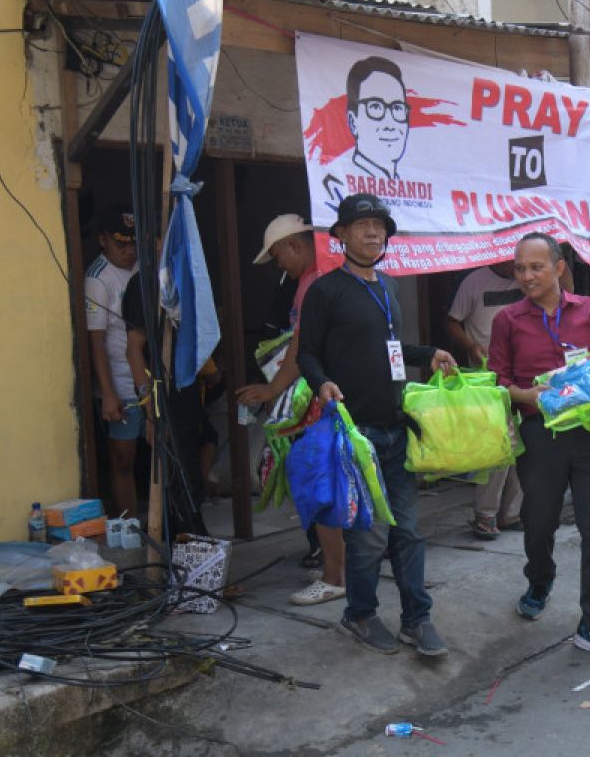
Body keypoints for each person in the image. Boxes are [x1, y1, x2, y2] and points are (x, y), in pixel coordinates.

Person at [297, 193, 456, 658]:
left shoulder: (387, 287)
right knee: (368, 538)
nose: (372, 233)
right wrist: (322, 382)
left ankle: (416, 619)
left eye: (379, 226)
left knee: (408, 531)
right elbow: (307, 352)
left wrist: (429, 354)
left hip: (395, 428)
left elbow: (389, 350)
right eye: (361, 225)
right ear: (341, 235)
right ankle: (360, 613)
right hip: (356, 433)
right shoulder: (324, 291)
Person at [489, 232, 590, 663]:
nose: (527, 276)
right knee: (538, 521)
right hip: (541, 435)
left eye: (535, 267)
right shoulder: (508, 320)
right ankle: (540, 578)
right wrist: (526, 397)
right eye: (520, 269)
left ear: (559, 268)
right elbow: (498, 383)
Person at [236, 214, 347, 605]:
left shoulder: (313, 284)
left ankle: (335, 576)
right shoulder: (331, 274)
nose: (279, 264)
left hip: (324, 400)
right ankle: (340, 568)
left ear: (294, 247)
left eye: (278, 255)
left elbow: (302, 349)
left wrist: (271, 389)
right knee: (336, 485)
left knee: (321, 487)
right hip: (338, 394)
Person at [122, 268, 209, 537]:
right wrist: (149, 406)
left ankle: (191, 547)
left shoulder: (185, 273)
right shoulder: (145, 282)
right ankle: (188, 546)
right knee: (174, 477)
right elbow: (134, 348)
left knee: (190, 471)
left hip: (187, 388)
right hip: (163, 392)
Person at [446, 262, 525, 539]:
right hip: (486, 377)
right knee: (499, 444)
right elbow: (452, 321)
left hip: (524, 374)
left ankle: (511, 513)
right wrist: (470, 346)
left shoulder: (527, 277)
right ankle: (486, 514)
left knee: (521, 445)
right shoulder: (474, 282)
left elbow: (566, 291)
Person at [85, 208, 140, 518]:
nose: (128, 251)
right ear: (103, 240)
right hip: (118, 381)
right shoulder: (97, 278)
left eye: (132, 243)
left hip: (145, 378)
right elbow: (96, 341)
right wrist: (108, 393)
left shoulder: (139, 266)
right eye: (121, 245)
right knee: (123, 457)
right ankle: (129, 525)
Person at [346, 56, 410, 180]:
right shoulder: (338, 184)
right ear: (353, 122)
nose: (390, 124)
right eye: (375, 107)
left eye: (397, 108)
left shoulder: (401, 184)